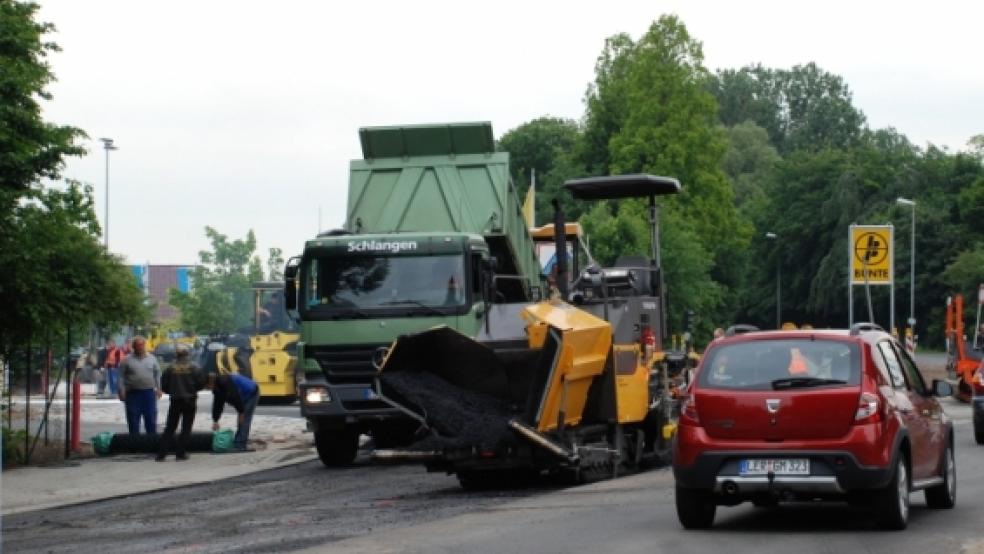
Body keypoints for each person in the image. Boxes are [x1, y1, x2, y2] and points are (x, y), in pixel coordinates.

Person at [157, 345, 206, 461]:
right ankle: (180, 453)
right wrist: (193, 390)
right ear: (187, 354)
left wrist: (172, 391)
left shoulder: (170, 368)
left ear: (176, 355)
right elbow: (201, 383)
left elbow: (163, 385)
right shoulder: (194, 367)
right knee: (186, 427)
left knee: (170, 428)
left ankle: (161, 454)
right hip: (190, 400)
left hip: (175, 400)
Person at [118, 335, 162, 436]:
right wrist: (121, 390)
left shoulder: (152, 359)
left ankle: (151, 442)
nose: (140, 347)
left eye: (142, 345)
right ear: (133, 347)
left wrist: (159, 388)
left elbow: (157, 374)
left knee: (150, 418)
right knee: (133, 419)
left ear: (145, 346)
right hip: (133, 394)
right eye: (137, 345)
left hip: (148, 393)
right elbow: (120, 376)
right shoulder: (126, 360)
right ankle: (134, 444)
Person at [209, 371, 259, 452]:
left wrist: (241, 412)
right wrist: (215, 420)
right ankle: (239, 441)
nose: (207, 388)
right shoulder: (217, 387)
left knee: (244, 420)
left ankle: (240, 445)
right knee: (240, 420)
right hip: (242, 394)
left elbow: (235, 396)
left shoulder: (225, 382)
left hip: (251, 392)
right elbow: (217, 404)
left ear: (211, 383)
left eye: (208, 387)